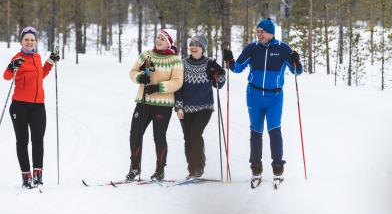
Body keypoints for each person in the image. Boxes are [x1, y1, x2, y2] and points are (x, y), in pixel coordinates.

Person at [222, 18, 302, 186]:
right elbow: (237, 68)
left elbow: (297, 71)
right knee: (256, 131)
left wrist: (296, 60)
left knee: (274, 130)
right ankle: (256, 170)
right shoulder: (252, 48)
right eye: (257, 31)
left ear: (271, 32)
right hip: (254, 95)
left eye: (262, 32)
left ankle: (278, 169)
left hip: (275, 97)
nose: (259, 35)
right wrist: (229, 61)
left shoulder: (282, 49)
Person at [3, 26, 60, 189]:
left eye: (32, 40)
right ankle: (26, 176)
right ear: (21, 41)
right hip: (19, 106)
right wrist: (12, 66)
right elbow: (6, 76)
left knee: (38, 141)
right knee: (22, 141)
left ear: (36, 42)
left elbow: (40, 75)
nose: (29, 42)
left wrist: (50, 61)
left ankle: (38, 174)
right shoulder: (17, 57)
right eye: (26, 39)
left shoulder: (37, 57)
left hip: (38, 106)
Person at [126, 28, 183, 181]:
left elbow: (177, 82)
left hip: (162, 105)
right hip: (143, 102)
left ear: (169, 43)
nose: (158, 40)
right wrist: (139, 78)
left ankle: (160, 170)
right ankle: (135, 167)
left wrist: (159, 87)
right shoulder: (146, 55)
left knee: (159, 137)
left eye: (162, 39)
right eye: (157, 37)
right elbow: (132, 72)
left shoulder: (175, 60)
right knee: (135, 134)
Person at [174, 34, 226, 179]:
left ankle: (198, 167)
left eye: (197, 45)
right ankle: (191, 169)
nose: (194, 48)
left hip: (205, 107)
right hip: (185, 108)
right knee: (187, 138)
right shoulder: (182, 64)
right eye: (192, 45)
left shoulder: (210, 63)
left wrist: (220, 71)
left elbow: (219, 84)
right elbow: (178, 87)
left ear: (203, 48)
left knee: (195, 134)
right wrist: (178, 107)